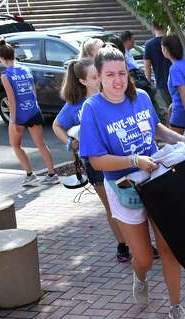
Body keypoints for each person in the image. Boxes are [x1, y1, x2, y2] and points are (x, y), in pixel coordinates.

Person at [78, 46, 185, 319]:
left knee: (168, 249)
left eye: (122, 73)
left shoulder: (141, 97)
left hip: (156, 179)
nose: (118, 80)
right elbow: (95, 159)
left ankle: (175, 306)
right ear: (99, 77)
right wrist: (133, 160)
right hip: (124, 188)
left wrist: (181, 139)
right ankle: (140, 277)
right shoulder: (92, 109)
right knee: (143, 258)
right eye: (110, 75)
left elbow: (156, 129)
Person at [53, 58, 131, 263]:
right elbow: (57, 126)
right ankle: (123, 244)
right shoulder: (75, 106)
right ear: (82, 81)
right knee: (111, 206)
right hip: (95, 163)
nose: (99, 79)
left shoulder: (111, 97)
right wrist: (71, 143)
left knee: (131, 202)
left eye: (99, 75)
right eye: (94, 77)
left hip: (119, 157)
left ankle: (139, 241)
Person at [0, 38, 58, 187]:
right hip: (34, 111)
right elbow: (33, 92)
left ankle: (30, 175)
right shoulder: (26, 69)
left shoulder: (5, 75)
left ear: (1, 57)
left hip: (20, 115)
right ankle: (52, 174)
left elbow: (11, 100)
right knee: (41, 144)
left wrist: (13, 120)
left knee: (16, 145)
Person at [143, 22, 172, 112]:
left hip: (161, 82)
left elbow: (147, 67)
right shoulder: (172, 41)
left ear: (153, 27)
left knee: (167, 111)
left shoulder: (149, 44)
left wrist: (148, 84)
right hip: (176, 79)